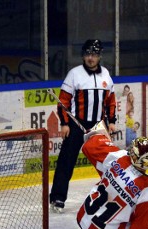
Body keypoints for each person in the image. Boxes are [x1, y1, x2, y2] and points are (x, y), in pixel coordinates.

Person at [49, 39, 117, 213]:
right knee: (66, 161)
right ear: (83, 56)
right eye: (88, 54)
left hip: (97, 126)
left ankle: (113, 195)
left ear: (99, 56)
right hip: (76, 125)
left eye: (94, 54)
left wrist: (112, 121)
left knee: (107, 162)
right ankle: (57, 198)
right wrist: (65, 124)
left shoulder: (106, 75)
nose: (91, 58)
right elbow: (63, 102)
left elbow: (111, 101)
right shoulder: (75, 74)